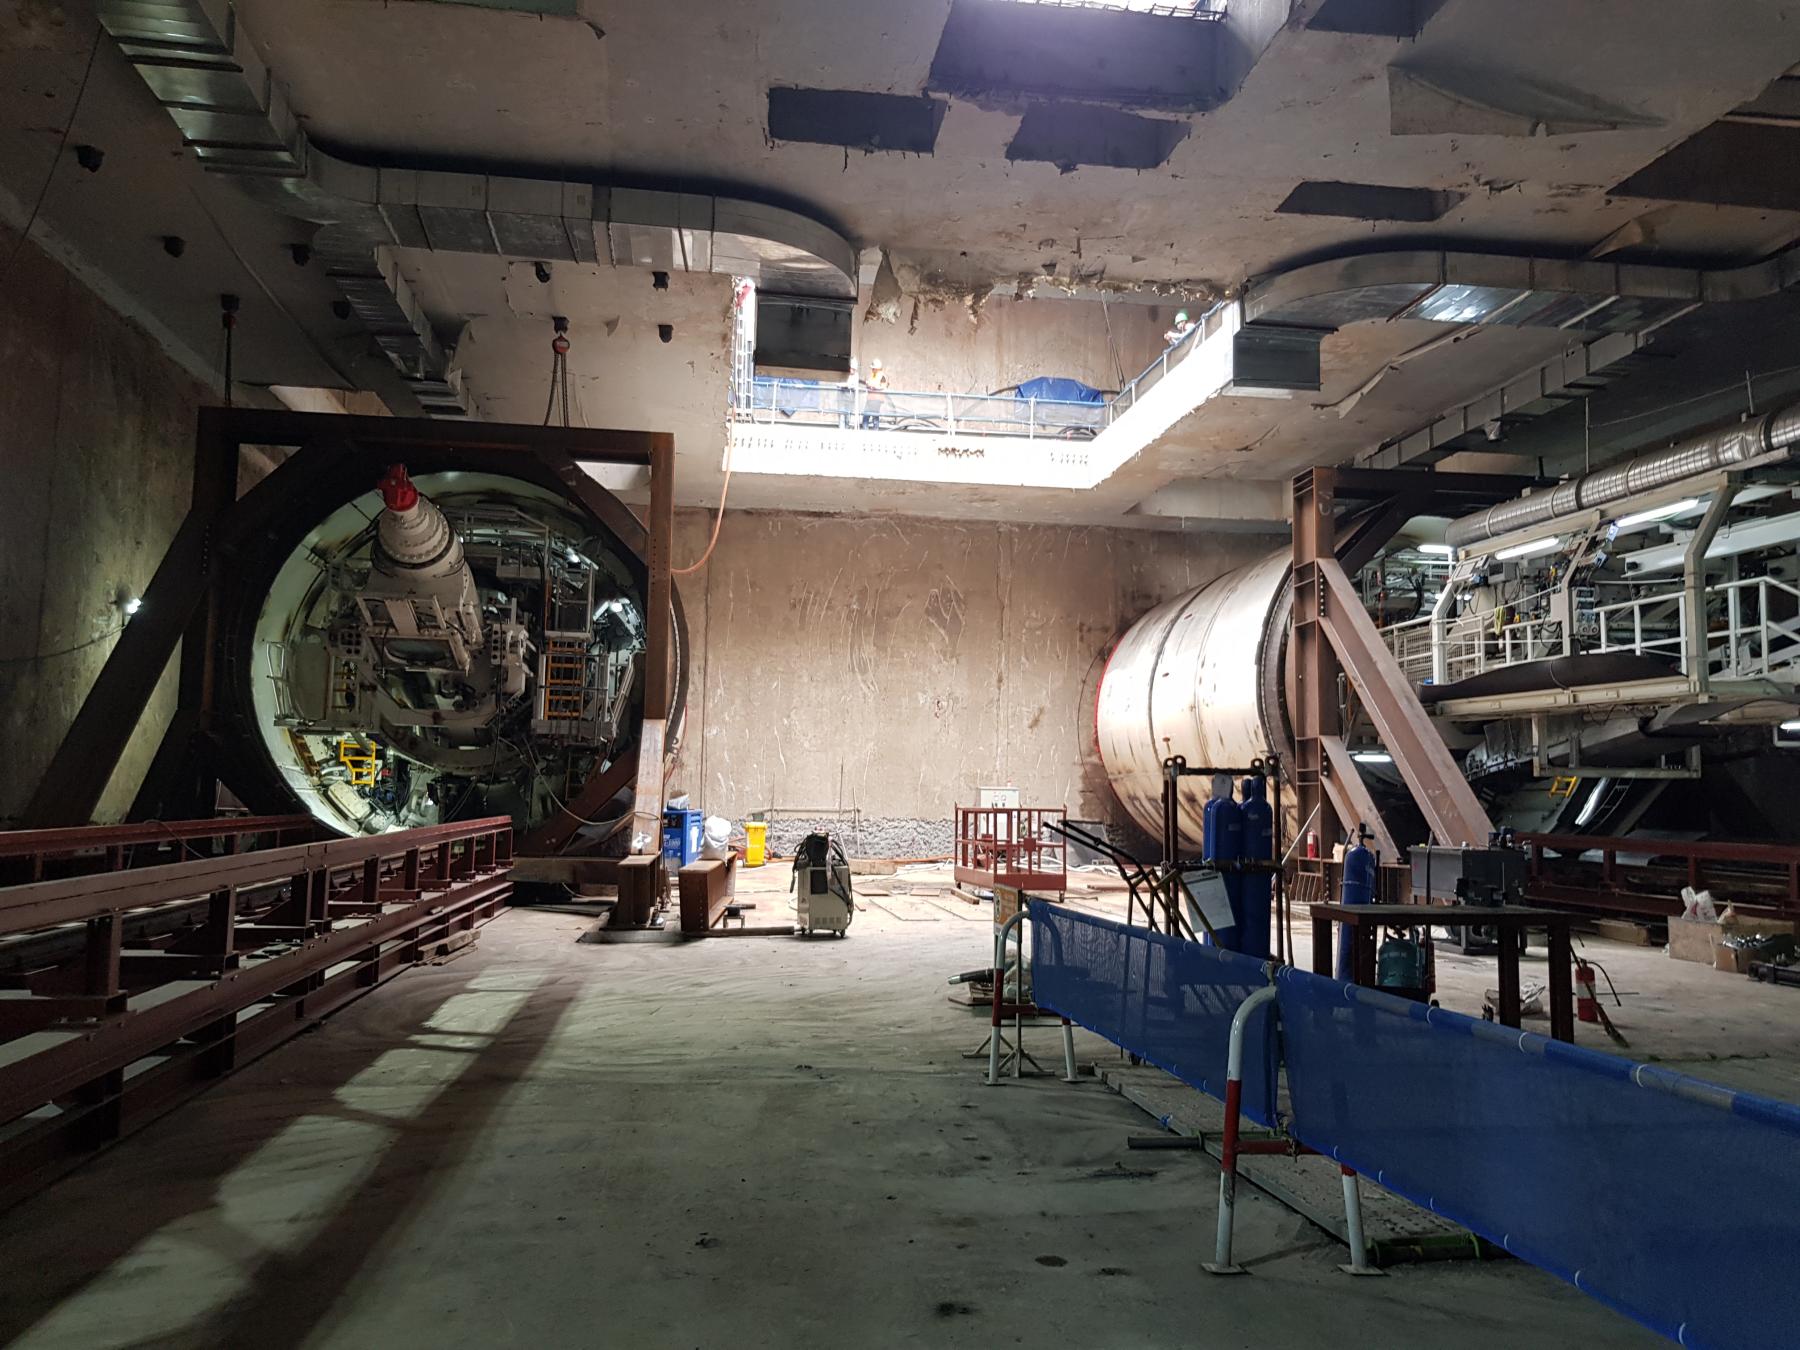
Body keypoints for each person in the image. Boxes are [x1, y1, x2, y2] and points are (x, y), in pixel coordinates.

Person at [862, 356, 891, 428]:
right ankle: (866, 431)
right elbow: (870, 383)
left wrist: (874, 387)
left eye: (873, 368)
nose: (872, 369)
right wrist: (868, 384)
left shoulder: (882, 376)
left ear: (877, 368)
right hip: (870, 398)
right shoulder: (873, 375)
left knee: (874, 416)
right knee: (866, 416)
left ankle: (875, 431)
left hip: (877, 399)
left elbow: (883, 387)